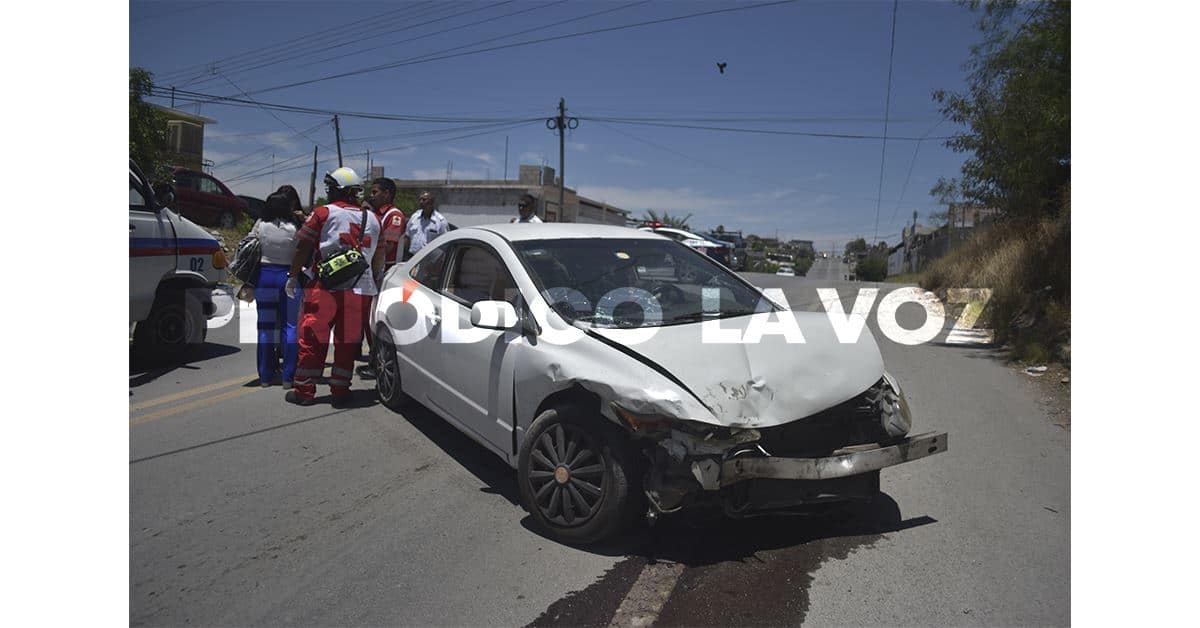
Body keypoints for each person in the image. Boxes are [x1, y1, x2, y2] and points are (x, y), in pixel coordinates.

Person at [284, 167, 384, 407]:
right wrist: (376, 277)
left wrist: (293, 275)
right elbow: (379, 255)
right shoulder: (373, 218)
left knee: (312, 338)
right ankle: (340, 391)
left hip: (325, 285)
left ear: (336, 189)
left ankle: (305, 391)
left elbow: (302, 248)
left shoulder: (323, 213)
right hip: (361, 289)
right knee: (348, 342)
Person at [246, 192, 304, 388]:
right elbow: (302, 249)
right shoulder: (293, 227)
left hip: (265, 276)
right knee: (290, 327)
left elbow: (248, 245)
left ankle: (264, 376)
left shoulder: (260, 225)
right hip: (288, 277)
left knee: (265, 328)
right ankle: (288, 377)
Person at [356, 177, 405, 381]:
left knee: (376, 321)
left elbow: (389, 246)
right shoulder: (378, 215)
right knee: (371, 320)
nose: (372, 195)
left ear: (387, 194)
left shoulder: (393, 216)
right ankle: (374, 359)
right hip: (376, 273)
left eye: (375, 192)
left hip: (386, 274)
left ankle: (377, 362)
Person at [403, 191, 449, 260]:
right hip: (412, 258)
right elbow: (407, 236)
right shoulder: (414, 217)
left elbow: (445, 244)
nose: (421, 202)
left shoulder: (440, 221)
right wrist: (405, 256)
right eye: (420, 199)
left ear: (432, 202)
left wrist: (436, 263)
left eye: (424, 199)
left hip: (429, 260)